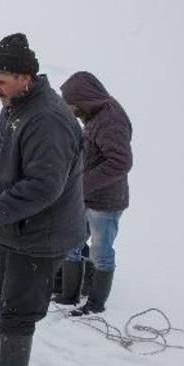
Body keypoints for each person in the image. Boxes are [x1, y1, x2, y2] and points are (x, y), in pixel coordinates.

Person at [0, 33, 87, 366]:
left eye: (0, 81)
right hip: (18, 227)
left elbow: (45, 187)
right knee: (5, 296)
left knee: (19, 310)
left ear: (24, 77)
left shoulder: (47, 118)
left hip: (41, 234)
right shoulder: (16, 106)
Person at [53, 72, 133, 317]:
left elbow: (120, 162)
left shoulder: (111, 120)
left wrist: (81, 184)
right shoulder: (95, 115)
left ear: (83, 100)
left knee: (101, 252)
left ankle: (95, 305)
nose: (70, 109)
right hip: (85, 197)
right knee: (72, 243)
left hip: (106, 202)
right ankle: (69, 296)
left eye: (72, 104)